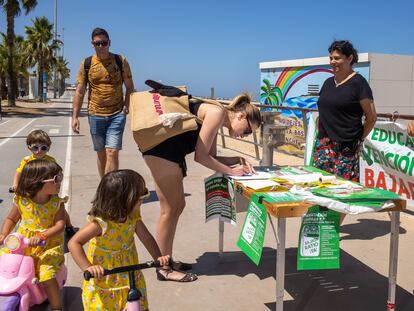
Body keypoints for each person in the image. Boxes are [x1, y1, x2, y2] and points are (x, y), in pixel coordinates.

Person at [142, 92, 262, 282]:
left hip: (169, 151)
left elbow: (211, 155)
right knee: (169, 210)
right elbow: (201, 157)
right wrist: (231, 172)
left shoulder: (219, 116)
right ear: (241, 116)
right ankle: (163, 268)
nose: (244, 136)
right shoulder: (216, 113)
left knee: (178, 206)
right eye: (247, 131)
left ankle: (167, 259)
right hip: (162, 150)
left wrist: (239, 160)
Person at [68, 169, 171, 311]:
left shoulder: (133, 218)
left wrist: (159, 258)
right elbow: (74, 243)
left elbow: (147, 238)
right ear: (124, 200)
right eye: (141, 195)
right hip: (105, 279)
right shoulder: (100, 224)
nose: (144, 198)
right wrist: (88, 267)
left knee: (140, 306)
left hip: (130, 277)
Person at [0, 159, 66, 311]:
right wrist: (4, 234)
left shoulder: (56, 203)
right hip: (23, 243)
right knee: (4, 262)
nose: (60, 182)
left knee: (47, 274)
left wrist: (43, 236)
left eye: (61, 177)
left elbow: (60, 225)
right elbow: (11, 218)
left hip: (48, 245)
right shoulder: (22, 201)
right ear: (38, 182)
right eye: (57, 179)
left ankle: (56, 307)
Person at [72, 27, 134, 177]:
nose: (101, 46)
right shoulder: (86, 63)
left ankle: (110, 192)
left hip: (117, 114)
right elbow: (80, 91)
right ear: (92, 44)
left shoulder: (120, 61)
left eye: (104, 43)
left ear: (109, 43)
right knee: (101, 154)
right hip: (95, 114)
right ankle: (104, 186)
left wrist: (127, 107)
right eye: (97, 43)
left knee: (112, 152)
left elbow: (130, 87)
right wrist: (75, 117)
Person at [313, 40, 377, 182]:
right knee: (319, 186)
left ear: (349, 58)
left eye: (337, 58)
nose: (332, 61)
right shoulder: (327, 83)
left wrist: (358, 139)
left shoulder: (359, 83)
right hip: (323, 145)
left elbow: (371, 117)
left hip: (346, 148)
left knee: (343, 190)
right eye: (331, 58)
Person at [11, 129, 78, 240]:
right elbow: (18, 173)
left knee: (58, 208)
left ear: (48, 148)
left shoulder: (50, 161)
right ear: (29, 147)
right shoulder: (26, 160)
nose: (39, 151)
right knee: (23, 207)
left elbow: (57, 173)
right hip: (31, 190)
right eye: (35, 148)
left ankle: (69, 226)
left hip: (47, 190)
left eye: (44, 148)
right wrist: (15, 185)